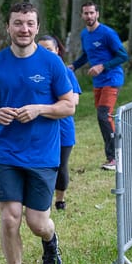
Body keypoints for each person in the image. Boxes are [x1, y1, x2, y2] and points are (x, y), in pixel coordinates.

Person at [0, 2, 75, 264]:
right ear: (8, 27)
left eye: (30, 23)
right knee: (9, 218)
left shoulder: (51, 63)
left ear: (37, 27)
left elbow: (68, 106)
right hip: (7, 153)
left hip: (43, 154)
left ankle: (50, 241)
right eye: (18, 23)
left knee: (37, 222)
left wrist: (40, 109)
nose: (24, 29)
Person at [70, 1, 128, 171]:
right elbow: (86, 55)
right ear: (81, 15)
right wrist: (73, 66)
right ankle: (117, 151)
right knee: (104, 117)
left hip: (112, 78)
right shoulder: (84, 35)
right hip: (98, 82)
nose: (89, 16)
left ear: (97, 14)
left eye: (91, 13)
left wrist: (103, 66)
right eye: (85, 13)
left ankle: (114, 158)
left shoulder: (107, 33)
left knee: (104, 116)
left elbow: (123, 56)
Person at [38, 35, 82, 211]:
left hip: (63, 128)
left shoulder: (66, 72)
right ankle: (41, 201)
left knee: (60, 165)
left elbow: (74, 100)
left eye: (49, 49)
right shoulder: (34, 73)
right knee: (42, 165)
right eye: (41, 49)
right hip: (40, 127)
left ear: (57, 51)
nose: (45, 53)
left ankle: (60, 200)